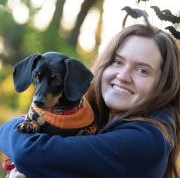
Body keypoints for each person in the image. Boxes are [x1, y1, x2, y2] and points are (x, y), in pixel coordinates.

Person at [0, 24, 179, 178]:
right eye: (118, 62)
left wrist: (13, 130)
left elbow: (29, 152)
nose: (123, 76)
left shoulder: (148, 140)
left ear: (163, 83)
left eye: (142, 70)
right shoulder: (91, 118)